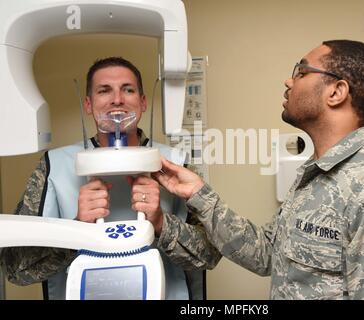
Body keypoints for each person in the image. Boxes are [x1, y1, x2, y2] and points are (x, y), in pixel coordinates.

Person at [148, 40, 364, 299]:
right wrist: (199, 194)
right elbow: (265, 253)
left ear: (337, 92)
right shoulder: (315, 178)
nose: (289, 81)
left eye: (301, 71)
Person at [0, 57, 221, 300]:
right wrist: (75, 229)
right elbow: (14, 268)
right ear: (88, 104)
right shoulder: (53, 167)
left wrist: (160, 223)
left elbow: (212, 254)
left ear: (143, 102)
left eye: (128, 89)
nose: (117, 99)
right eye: (104, 91)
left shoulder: (175, 164)